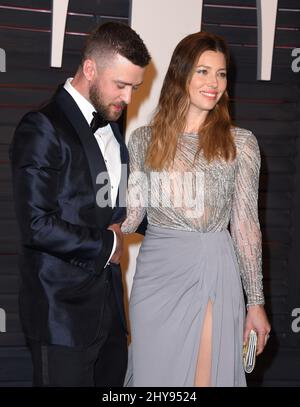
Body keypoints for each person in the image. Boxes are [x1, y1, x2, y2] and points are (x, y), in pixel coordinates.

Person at [121, 31, 271, 387]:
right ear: (181, 74)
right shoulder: (143, 139)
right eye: (203, 71)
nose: (213, 83)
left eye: (220, 74)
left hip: (211, 269)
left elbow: (246, 226)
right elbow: (131, 216)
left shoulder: (241, 143)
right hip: (156, 277)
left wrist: (256, 302)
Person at [10, 22, 150, 387]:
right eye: (120, 85)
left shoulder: (113, 123)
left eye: (134, 87)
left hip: (110, 316)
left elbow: (109, 207)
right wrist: (111, 245)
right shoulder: (41, 126)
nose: (128, 98)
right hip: (61, 318)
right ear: (90, 69)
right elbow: (37, 224)